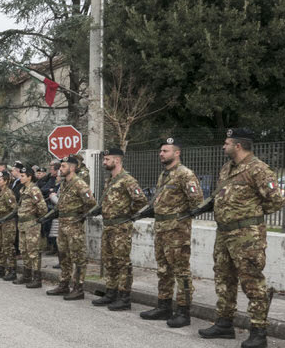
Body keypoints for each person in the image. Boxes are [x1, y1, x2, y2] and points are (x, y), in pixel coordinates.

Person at [196, 129, 285, 348]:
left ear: (238, 146)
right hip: (224, 233)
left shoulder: (259, 169)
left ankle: (258, 331)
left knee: (251, 280)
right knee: (223, 278)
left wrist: (251, 215)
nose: (223, 146)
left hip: (247, 236)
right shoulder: (227, 168)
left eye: (226, 143)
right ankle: (224, 323)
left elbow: (276, 201)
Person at [135, 137, 204, 327]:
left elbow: (197, 202)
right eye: (161, 151)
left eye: (165, 151)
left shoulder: (185, 174)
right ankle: (164, 306)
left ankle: (183, 311)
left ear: (177, 153)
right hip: (161, 229)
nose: (161, 154)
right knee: (163, 270)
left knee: (181, 272)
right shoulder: (164, 175)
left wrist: (180, 219)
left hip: (177, 231)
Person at [90, 148, 147, 311]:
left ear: (117, 160)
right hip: (108, 226)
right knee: (109, 261)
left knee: (122, 263)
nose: (104, 162)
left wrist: (127, 214)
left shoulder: (127, 180)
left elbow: (141, 200)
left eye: (107, 159)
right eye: (104, 159)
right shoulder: (110, 180)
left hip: (121, 227)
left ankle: (124, 297)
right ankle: (111, 292)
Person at [46, 156, 96, 300]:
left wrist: (80, 216)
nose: (60, 169)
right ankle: (64, 284)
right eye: (60, 167)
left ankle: (78, 288)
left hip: (74, 225)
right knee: (63, 255)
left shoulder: (79, 184)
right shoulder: (64, 184)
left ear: (72, 168)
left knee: (78, 257)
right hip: (62, 224)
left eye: (63, 167)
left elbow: (91, 203)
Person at [15, 165, 48, 287]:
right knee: (24, 250)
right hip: (22, 223)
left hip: (31, 224)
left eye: (22, 176)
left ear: (29, 177)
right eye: (20, 175)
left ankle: (37, 278)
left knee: (33, 251)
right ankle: (27, 275)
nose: (20, 178)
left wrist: (35, 218)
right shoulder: (23, 189)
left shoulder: (34, 190)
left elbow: (42, 207)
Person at [0, 170, 18, 280]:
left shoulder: (8, 193)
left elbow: (14, 209)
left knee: (8, 247)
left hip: (8, 224)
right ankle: (1, 268)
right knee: (0, 245)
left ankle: (12, 270)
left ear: (5, 181)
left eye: (0, 179)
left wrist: (5, 218)